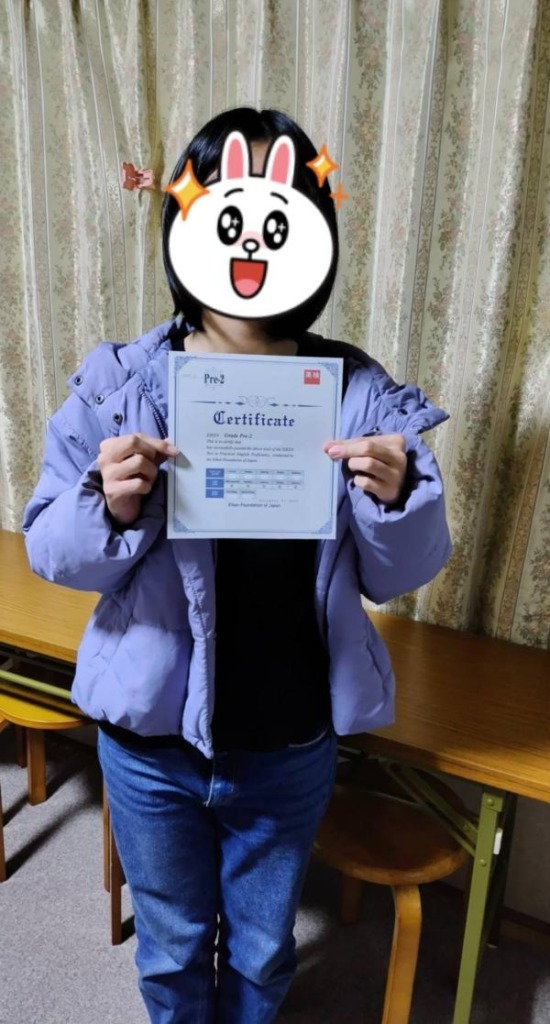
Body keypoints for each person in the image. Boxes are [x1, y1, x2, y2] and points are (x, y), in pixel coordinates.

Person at [23, 107, 452, 1024]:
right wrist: (110, 503)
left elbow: (401, 572)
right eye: (226, 211)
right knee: (171, 948)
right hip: (149, 743)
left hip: (290, 740)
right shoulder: (122, 384)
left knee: (261, 952)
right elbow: (48, 546)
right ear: (185, 224)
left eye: (276, 214)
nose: (250, 241)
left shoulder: (358, 393)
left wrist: (398, 494)